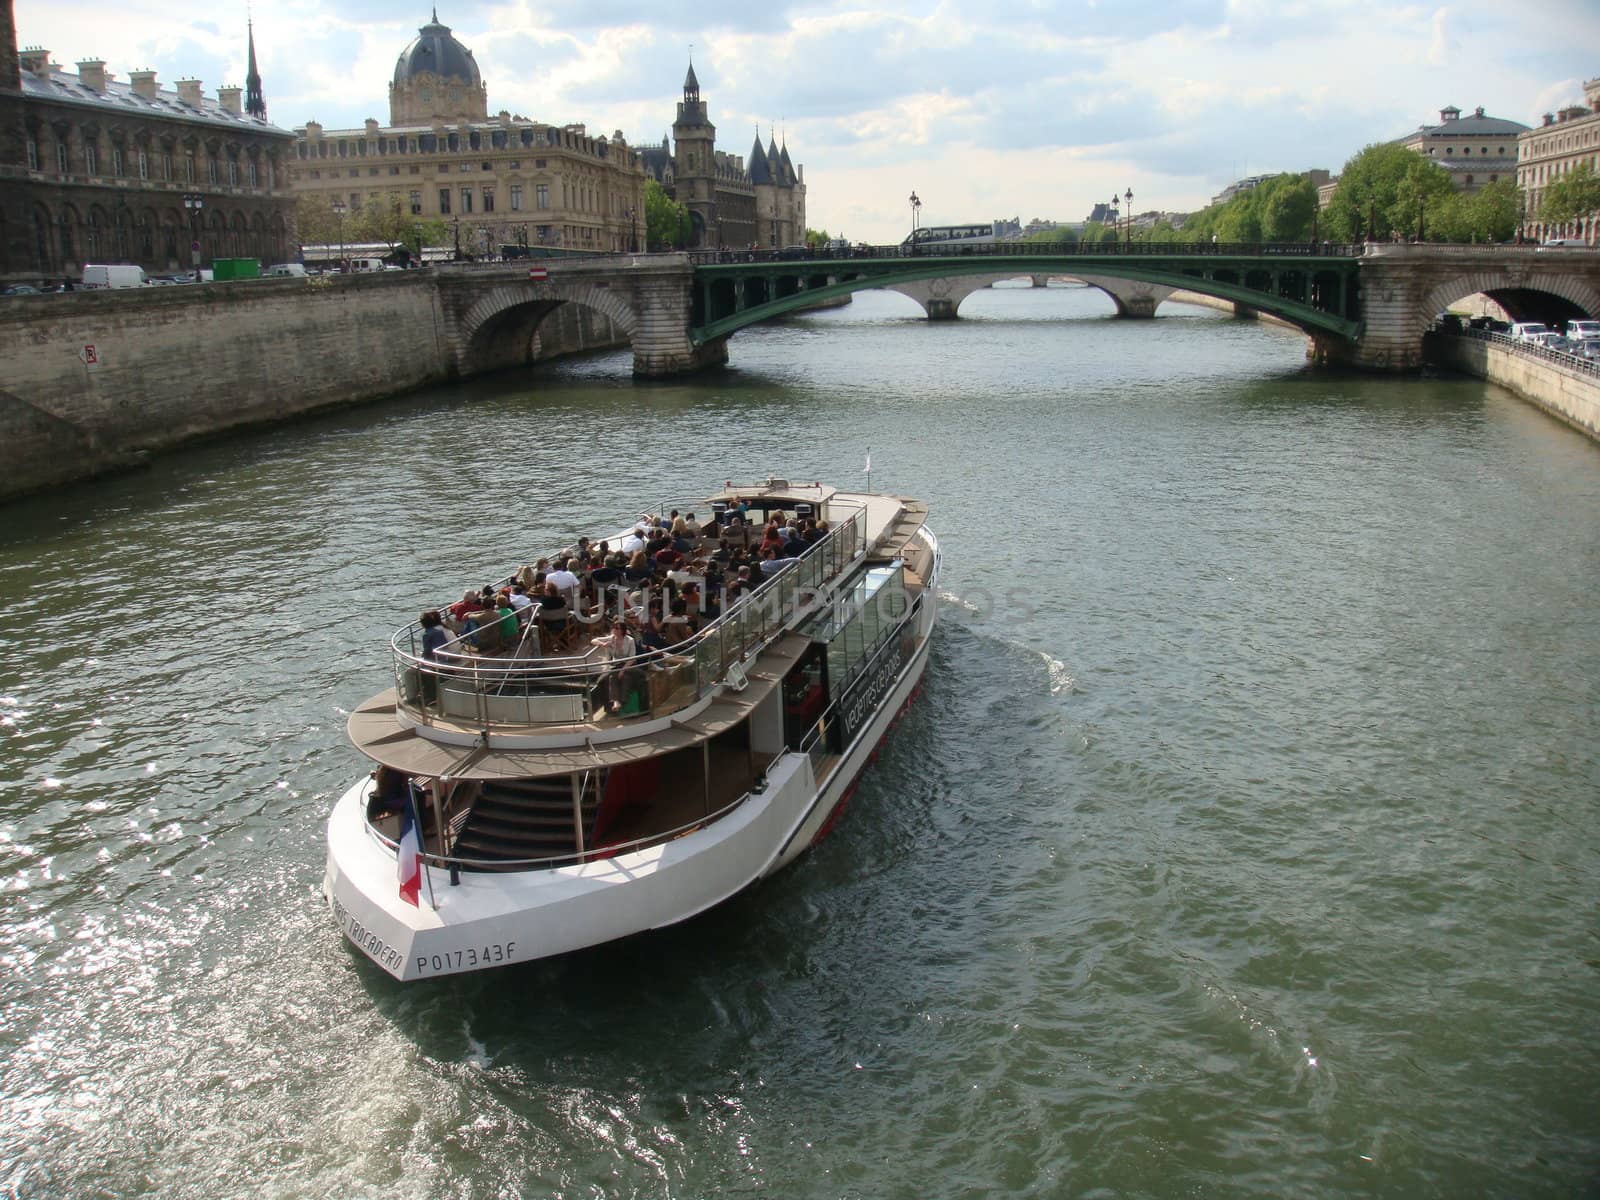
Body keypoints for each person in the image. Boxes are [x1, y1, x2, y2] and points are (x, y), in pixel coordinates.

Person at [590, 619, 639, 713]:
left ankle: (620, 702)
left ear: (622, 630)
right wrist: (603, 644)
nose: (614, 630)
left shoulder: (630, 640)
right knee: (607, 679)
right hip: (616, 665)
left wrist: (623, 670)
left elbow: (632, 658)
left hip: (628, 664)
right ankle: (615, 702)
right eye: (614, 628)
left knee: (623, 677)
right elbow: (593, 640)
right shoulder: (611, 638)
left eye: (617, 628)